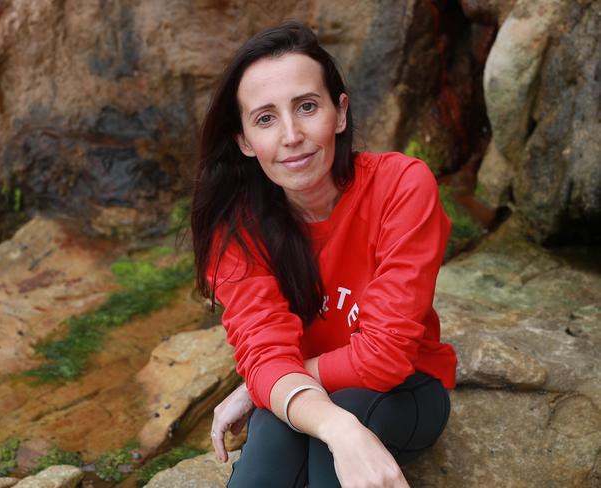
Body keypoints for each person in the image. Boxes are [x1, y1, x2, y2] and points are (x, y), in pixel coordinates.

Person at [191, 21, 456, 488]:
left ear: (340, 112)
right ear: (245, 141)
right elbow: (263, 348)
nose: (291, 135)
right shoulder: (236, 229)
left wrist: (265, 386)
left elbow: (385, 357)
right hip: (313, 397)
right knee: (280, 434)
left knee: (323, 418)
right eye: (266, 118)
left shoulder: (400, 185)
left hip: (405, 391)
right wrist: (293, 398)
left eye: (307, 107)